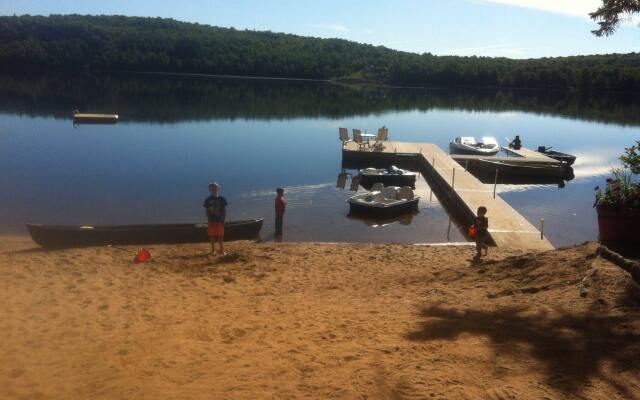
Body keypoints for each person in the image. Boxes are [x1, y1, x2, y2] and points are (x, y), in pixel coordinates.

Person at [203, 182, 228, 255]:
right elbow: (207, 211)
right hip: (212, 221)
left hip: (220, 221)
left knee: (220, 236)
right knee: (212, 236)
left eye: (215, 188)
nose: (214, 189)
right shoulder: (208, 199)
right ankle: (213, 250)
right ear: (209, 189)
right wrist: (209, 221)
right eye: (212, 188)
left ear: (218, 189)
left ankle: (221, 250)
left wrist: (223, 220)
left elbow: (224, 210)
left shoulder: (222, 198)